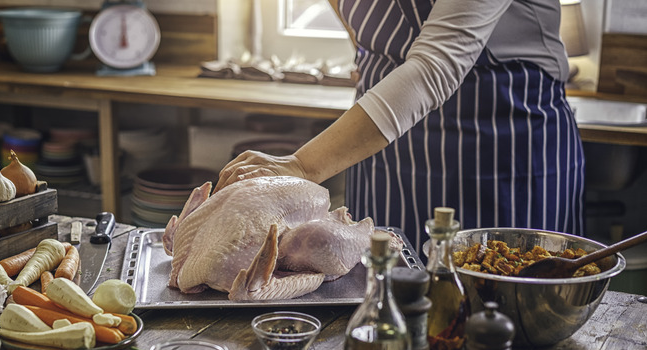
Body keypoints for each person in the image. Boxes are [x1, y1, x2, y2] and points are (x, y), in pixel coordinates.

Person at [214, 0, 585, 252]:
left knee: (501, 313)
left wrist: (302, 166)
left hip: (502, 130)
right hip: (383, 140)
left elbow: (438, 62)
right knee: (380, 294)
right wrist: (365, 46)